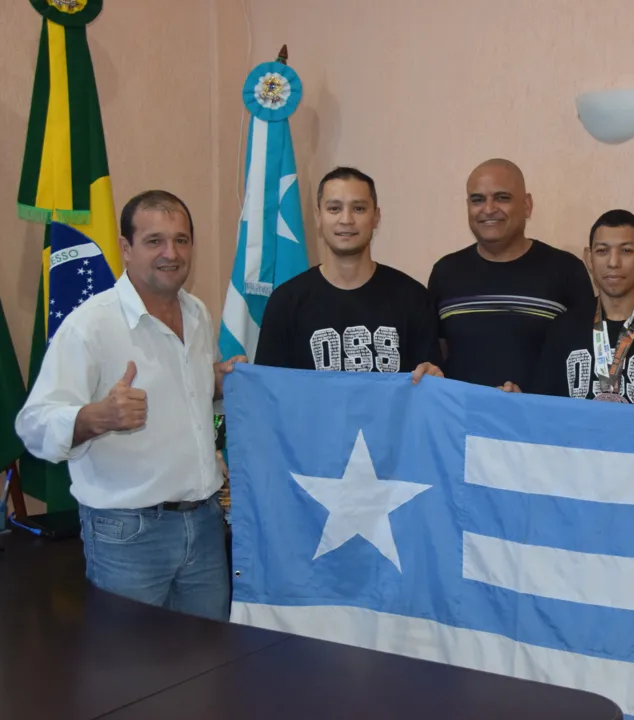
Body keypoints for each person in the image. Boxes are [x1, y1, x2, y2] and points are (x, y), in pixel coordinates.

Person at [15, 190, 242, 621]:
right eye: (154, 240)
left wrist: (218, 381)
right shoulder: (90, 325)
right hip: (129, 534)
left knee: (206, 670)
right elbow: (33, 425)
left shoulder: (197, 314)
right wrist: (97, 416)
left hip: (206, 526)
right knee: (130, 677)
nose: (170, 253)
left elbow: (185, 397)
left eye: (181, 240)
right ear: (125, 248)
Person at [255, 167, 442, 382]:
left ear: (376, 217)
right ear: (318, 216)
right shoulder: (285, 301)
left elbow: (430, 382)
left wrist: (433, 375)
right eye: (334, 208)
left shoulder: (413, 297)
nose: (346, 219)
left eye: (359, 208)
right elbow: (267, 390)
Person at [426, 159, 594, 389]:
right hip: (462, 422)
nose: (489, 208)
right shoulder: (445, 272)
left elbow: (584, 366)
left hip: (539, 422)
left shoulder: (566, 270)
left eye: (502, 197)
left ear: (527, 205)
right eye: (477, 200)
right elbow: (438, 357)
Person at [526, 209, 634, 405]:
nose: (613, 262)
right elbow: (542, 408)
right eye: (602, 251)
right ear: (588, 258)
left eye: (626, 250)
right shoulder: (563, 329)